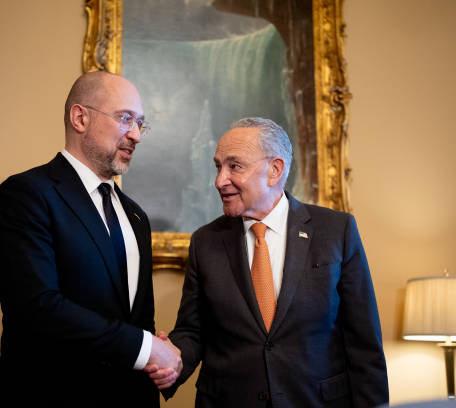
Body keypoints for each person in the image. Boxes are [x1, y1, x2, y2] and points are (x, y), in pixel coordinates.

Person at [152, 118, 388, 407]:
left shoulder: (336, 231)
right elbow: (193, 330)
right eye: (218, 166)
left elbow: (364, 344)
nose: (219, 180)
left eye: (234, 166)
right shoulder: (206, 241)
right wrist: (171, 360)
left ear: (274, 170)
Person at [0, 71, 181, 407]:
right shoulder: (25, 195)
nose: (136, 135)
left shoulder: (136, 217)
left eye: (141, 124)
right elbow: (37, 309)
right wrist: (147, 348)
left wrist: (159, 363)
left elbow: (138, 322)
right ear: (80, 118)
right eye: (125, 119)